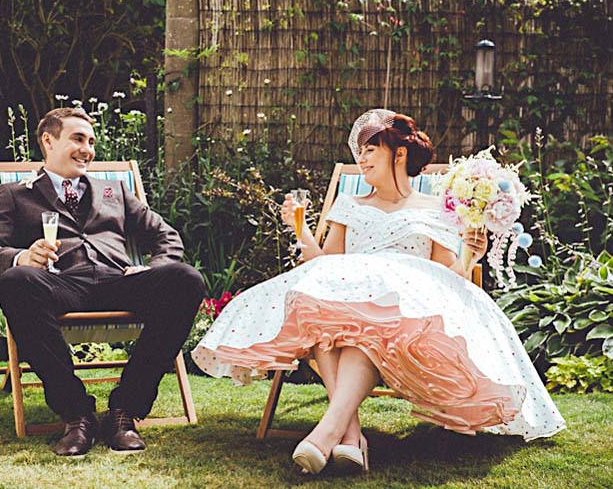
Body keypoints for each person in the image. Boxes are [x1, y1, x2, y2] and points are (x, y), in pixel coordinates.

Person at [192, 109, 565, 474]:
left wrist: (470, 256)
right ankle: (347, 437)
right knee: (331, 322)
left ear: (399, 154)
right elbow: (323, 266)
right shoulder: (350, 205)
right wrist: (300, 228)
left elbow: (447, 279)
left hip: (404, 310)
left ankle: (332, 434)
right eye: (360, 152)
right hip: (346, 303)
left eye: (371, 150)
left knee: (360, 330)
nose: (362, 159)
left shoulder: (435, 210)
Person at [0, 107, 205, 457]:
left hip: (117, 283)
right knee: (16, 281)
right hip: (62, 285)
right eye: (78, 139)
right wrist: (22, 257)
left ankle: (124, 409)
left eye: (92, 142)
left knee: (186, 279)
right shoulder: (16, 194)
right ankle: (76, 413)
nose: (87, 149)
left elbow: (166, 236)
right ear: (48, 141)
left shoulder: (114, 191)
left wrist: (152, 266)